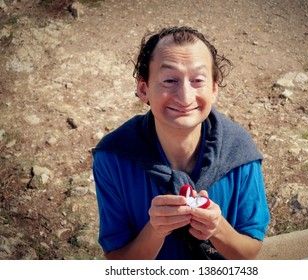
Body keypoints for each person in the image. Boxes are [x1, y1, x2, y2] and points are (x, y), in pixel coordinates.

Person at [92, 26, 270, 260]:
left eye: (197, 80)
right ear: (143, 89)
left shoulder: (240, 154)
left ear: (214, 89)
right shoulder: (113, 157)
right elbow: (117, 260)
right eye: (169, 80)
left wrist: (217, 228)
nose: (185, 97)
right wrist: (155, 231)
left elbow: (249, 253)